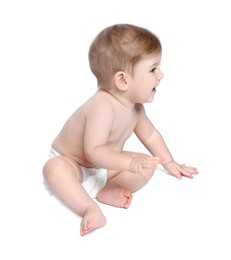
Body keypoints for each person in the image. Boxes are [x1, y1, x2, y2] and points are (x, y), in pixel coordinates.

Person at [43, 23, 198, 236]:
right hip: (74, 162)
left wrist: (168, 162)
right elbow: (93, 151)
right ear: (123, 80)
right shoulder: (101, 106)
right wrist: (129, 163)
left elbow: (151, 135)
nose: (160, 75)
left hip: (105, 166)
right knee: (54, 168)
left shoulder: (136, 109)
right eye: (153, 69)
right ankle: (89, 207)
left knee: (149, 164)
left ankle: (108, 190)